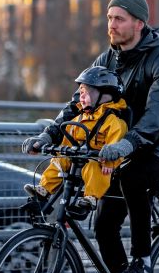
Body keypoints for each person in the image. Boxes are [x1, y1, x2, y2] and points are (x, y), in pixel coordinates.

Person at [22, 0, 159, 273]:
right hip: (120, 146)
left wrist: (128, 143)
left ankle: (142, 263)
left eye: (119, 19)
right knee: (103, 225)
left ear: (139, 23)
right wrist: (50, 133)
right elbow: (80, 102)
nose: (111, 25)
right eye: (109, 18)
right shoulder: (108, 58)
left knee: (134, 176)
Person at [23, 66, 128, 211]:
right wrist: (57, 149)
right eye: (81, 93)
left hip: (98, 160)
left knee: (93, 167)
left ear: (105, 96)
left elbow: (116, 145)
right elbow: (68, 138)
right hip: (78, 157)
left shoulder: (114, 122)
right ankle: (44, 188)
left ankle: (90, 198)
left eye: (87, 93)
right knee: (59, 161)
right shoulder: (79, 118)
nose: (81, 97)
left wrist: (110, 162)